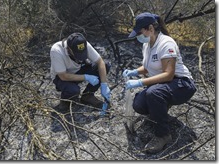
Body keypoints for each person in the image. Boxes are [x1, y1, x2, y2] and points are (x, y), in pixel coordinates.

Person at [122, 12, 197, 154]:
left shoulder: (166, 43)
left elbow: (168, 74)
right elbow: (149, 67)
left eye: (140, 32)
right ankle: (160, 113)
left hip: (182, 84)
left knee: (154, 93)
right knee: (139, 104)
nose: (138, 36)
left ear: (150, 28)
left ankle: (163, 135)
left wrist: (139, 82)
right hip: (165, 85)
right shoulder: (148, 44)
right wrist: (134, 72)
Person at [50, 32, 111, 112]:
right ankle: (65, 101)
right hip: (61, 78)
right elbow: (63, 76)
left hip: (78, 70)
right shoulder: (56, 51)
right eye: (77, 54)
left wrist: (104, 84)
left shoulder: (83, 44)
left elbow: (100, 62)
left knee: (106, 65)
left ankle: (87, 96)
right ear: (69, 48)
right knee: (73, 90)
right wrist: (86, 77)